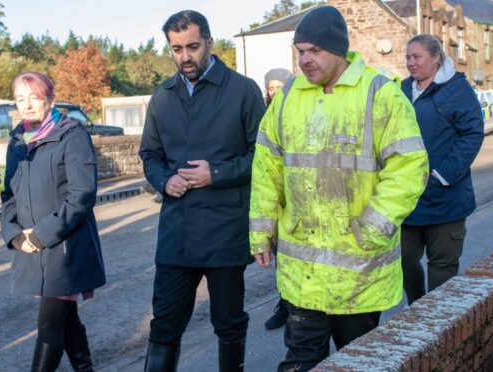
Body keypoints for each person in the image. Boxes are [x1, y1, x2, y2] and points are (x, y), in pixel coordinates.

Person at [249, 6, 429, 371]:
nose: (305, 60)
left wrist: (374, 226)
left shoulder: (380, 94)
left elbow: (410, 167)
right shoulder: (287, 98)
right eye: (300, 51)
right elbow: (267, 169)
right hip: (303, 276)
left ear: (339, 49)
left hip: (359, 274)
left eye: (314, 50)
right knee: (300, 362)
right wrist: (262, 230)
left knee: (358, 363)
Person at [138, 10, 265, 372]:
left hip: (225, 229)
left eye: (192, 46)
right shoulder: (162, 96)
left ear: (209, 42)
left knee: (228, 323)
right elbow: (149, 155)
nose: (185, 57)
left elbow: (266, 157)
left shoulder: (243, 90)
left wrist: (218, 173)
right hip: (176, 232)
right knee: (163, 326)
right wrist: (164, 179)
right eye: (176, 49)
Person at [1, 72, 106, 371]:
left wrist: (41, 235)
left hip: (65, 249)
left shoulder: (72, 135)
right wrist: (15, 234)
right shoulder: (17, 141)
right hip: (33, 248)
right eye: (21, 99)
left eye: (34, 97)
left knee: (49, 328)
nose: (27, 105)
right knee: (67, 321)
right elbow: (9, 194)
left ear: (50, 99)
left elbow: (82, 195)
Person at [401, 34, 483, 305]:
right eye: (408, 58)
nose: (411, 63)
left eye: (417, 57)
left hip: (445, 197)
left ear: (436, 57)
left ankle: (437, 320)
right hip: (407, 198)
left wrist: (443, 175)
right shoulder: (401, 90)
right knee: (402, 260)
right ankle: (417, 308)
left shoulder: (457, 89)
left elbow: (471, 134)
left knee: (442, 267)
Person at [261, 67, 293, 331]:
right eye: (271, 87)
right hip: (275, 199)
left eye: (280, 85)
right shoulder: (264, 117)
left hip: (297, 197)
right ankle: (284, 305)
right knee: (281, 258)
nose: (275, 91)